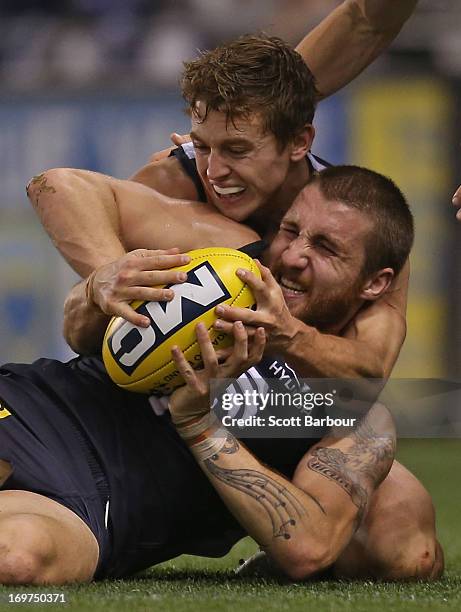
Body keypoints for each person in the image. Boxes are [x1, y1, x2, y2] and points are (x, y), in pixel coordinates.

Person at [0, 166, 442, 584]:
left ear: (376, 284)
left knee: (18, 560)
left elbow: (308, 546)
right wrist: (99, 283)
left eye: (325, 248)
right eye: (289, 231)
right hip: (31, 407)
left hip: (95, 503)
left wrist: (198, 423)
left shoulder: (353, 416)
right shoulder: (222, 270)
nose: (292, 256)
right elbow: (77, 321)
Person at [28, 24, 415, 379]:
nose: (214, 171)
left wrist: (287, 334)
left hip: (275, 405)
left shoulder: (359, 223)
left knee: (370, 439)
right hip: (148, 400)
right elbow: (54, 190)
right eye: (202, 146)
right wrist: (109, 275)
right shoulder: (175, 180)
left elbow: (371, 368)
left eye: (237, 149)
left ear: (299, 142)